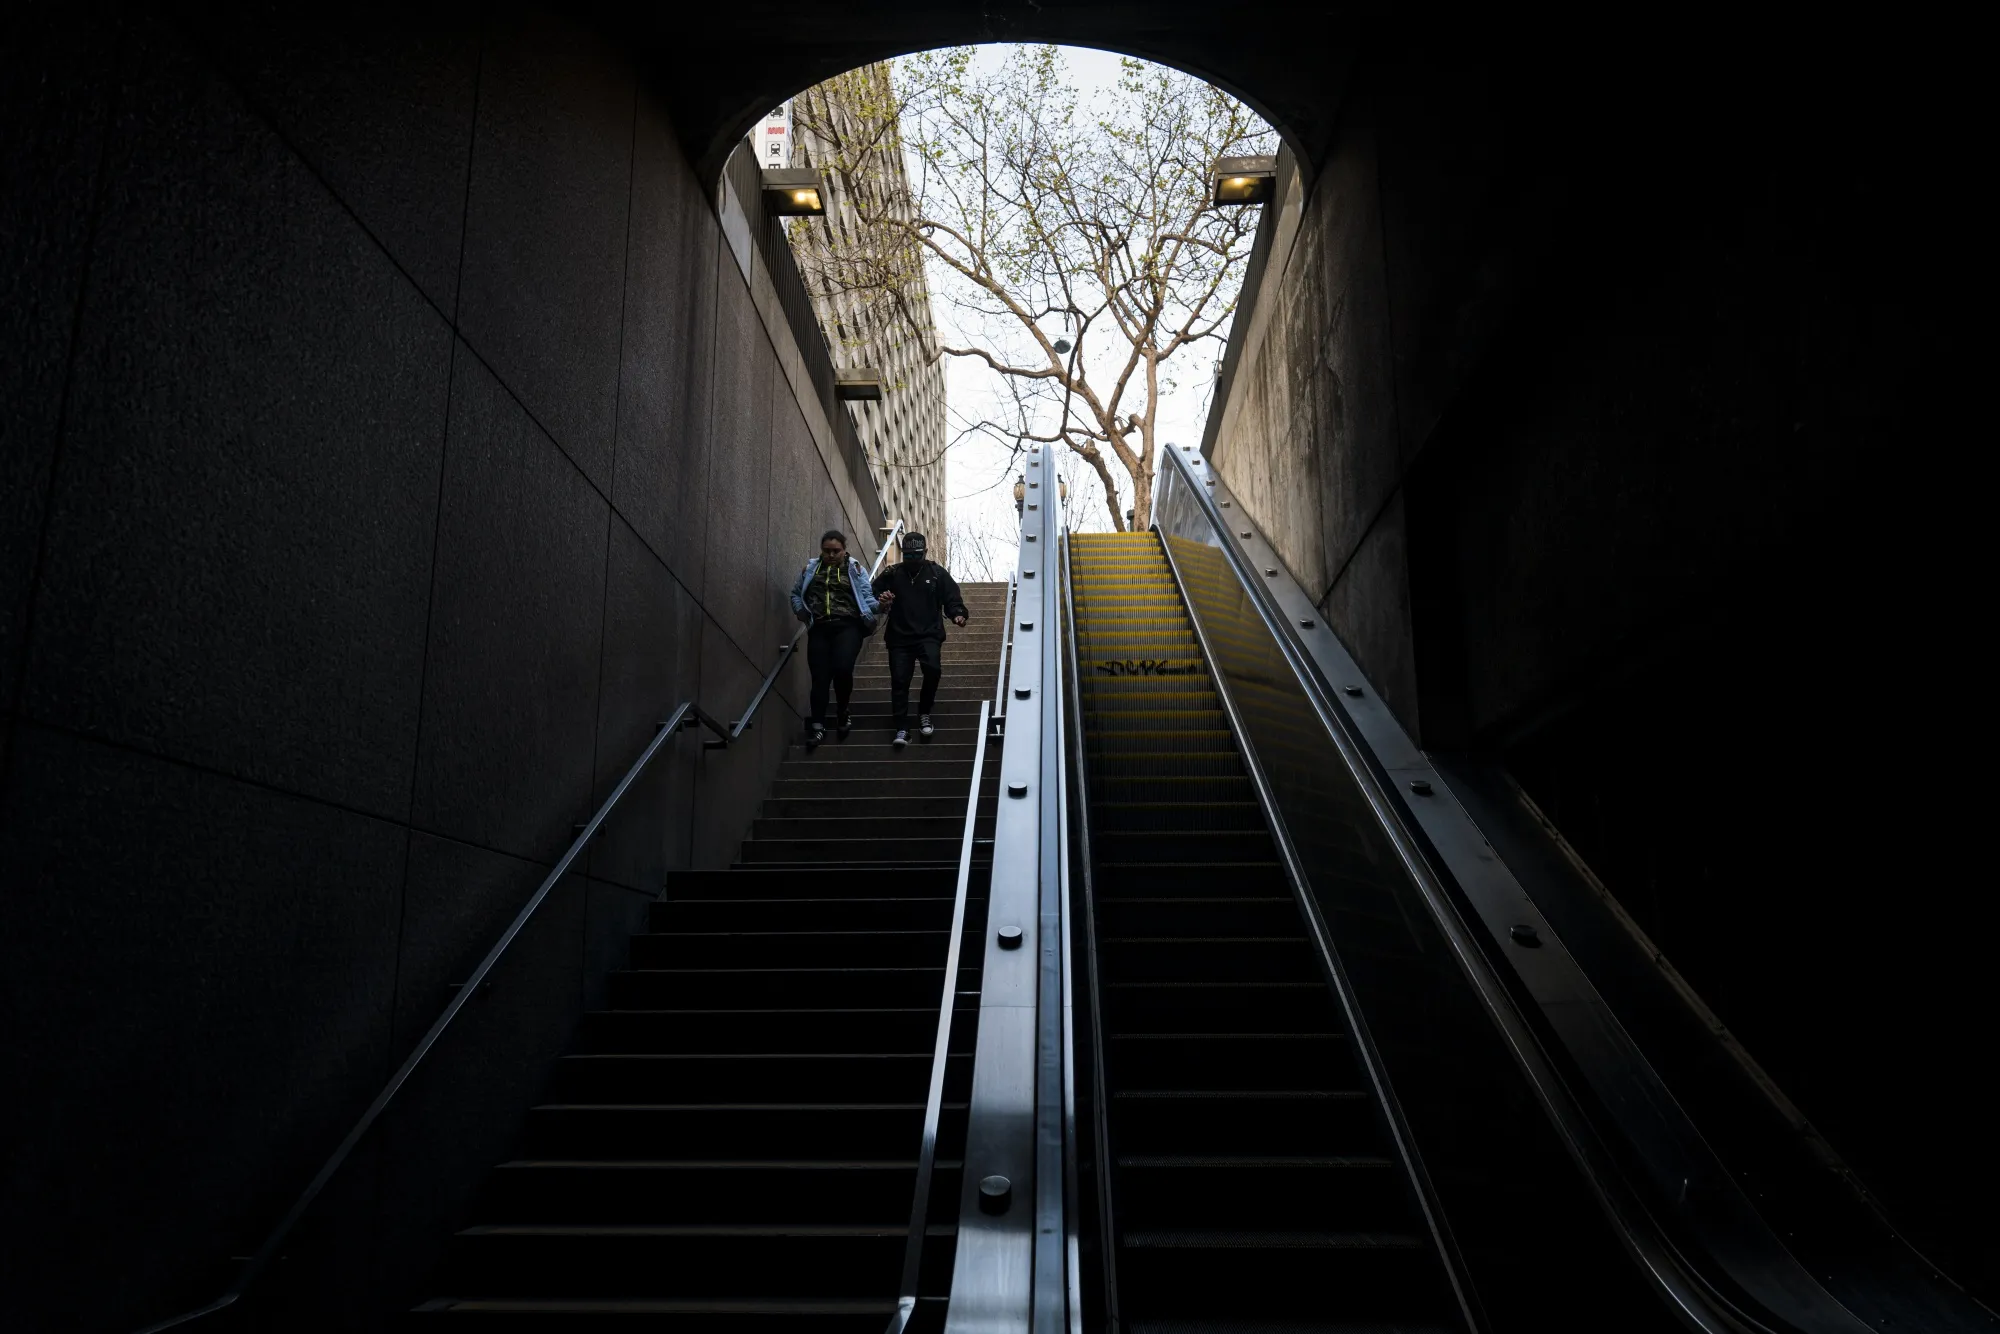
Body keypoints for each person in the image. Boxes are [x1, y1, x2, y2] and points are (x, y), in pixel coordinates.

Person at [871, 532, 968, 750]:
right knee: (899, 680)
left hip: (928, 634)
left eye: (917, 555)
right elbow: (871, 594)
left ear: (925, 552)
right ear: (903, 554)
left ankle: (924, 711)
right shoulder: (892, 573)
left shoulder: (936, 573)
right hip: (899, 636)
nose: (913, 559)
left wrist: (957, 614)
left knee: (933, 670)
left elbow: (952, 597)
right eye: (908, 555)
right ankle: (902, 727)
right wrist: (882, 600)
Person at [789, 529, 880, 748]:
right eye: (827, 551)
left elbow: (867, 598)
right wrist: (802, 612)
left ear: (844, 550)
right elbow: (795, 593)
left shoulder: (855, 569)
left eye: (836, 551)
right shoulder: (811, 568)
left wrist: (881, 606)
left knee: (842, 669)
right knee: (820, 678)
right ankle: (818, 726)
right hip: (819, 628)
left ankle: (842, 710)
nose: (831, 555)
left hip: (848, 626)